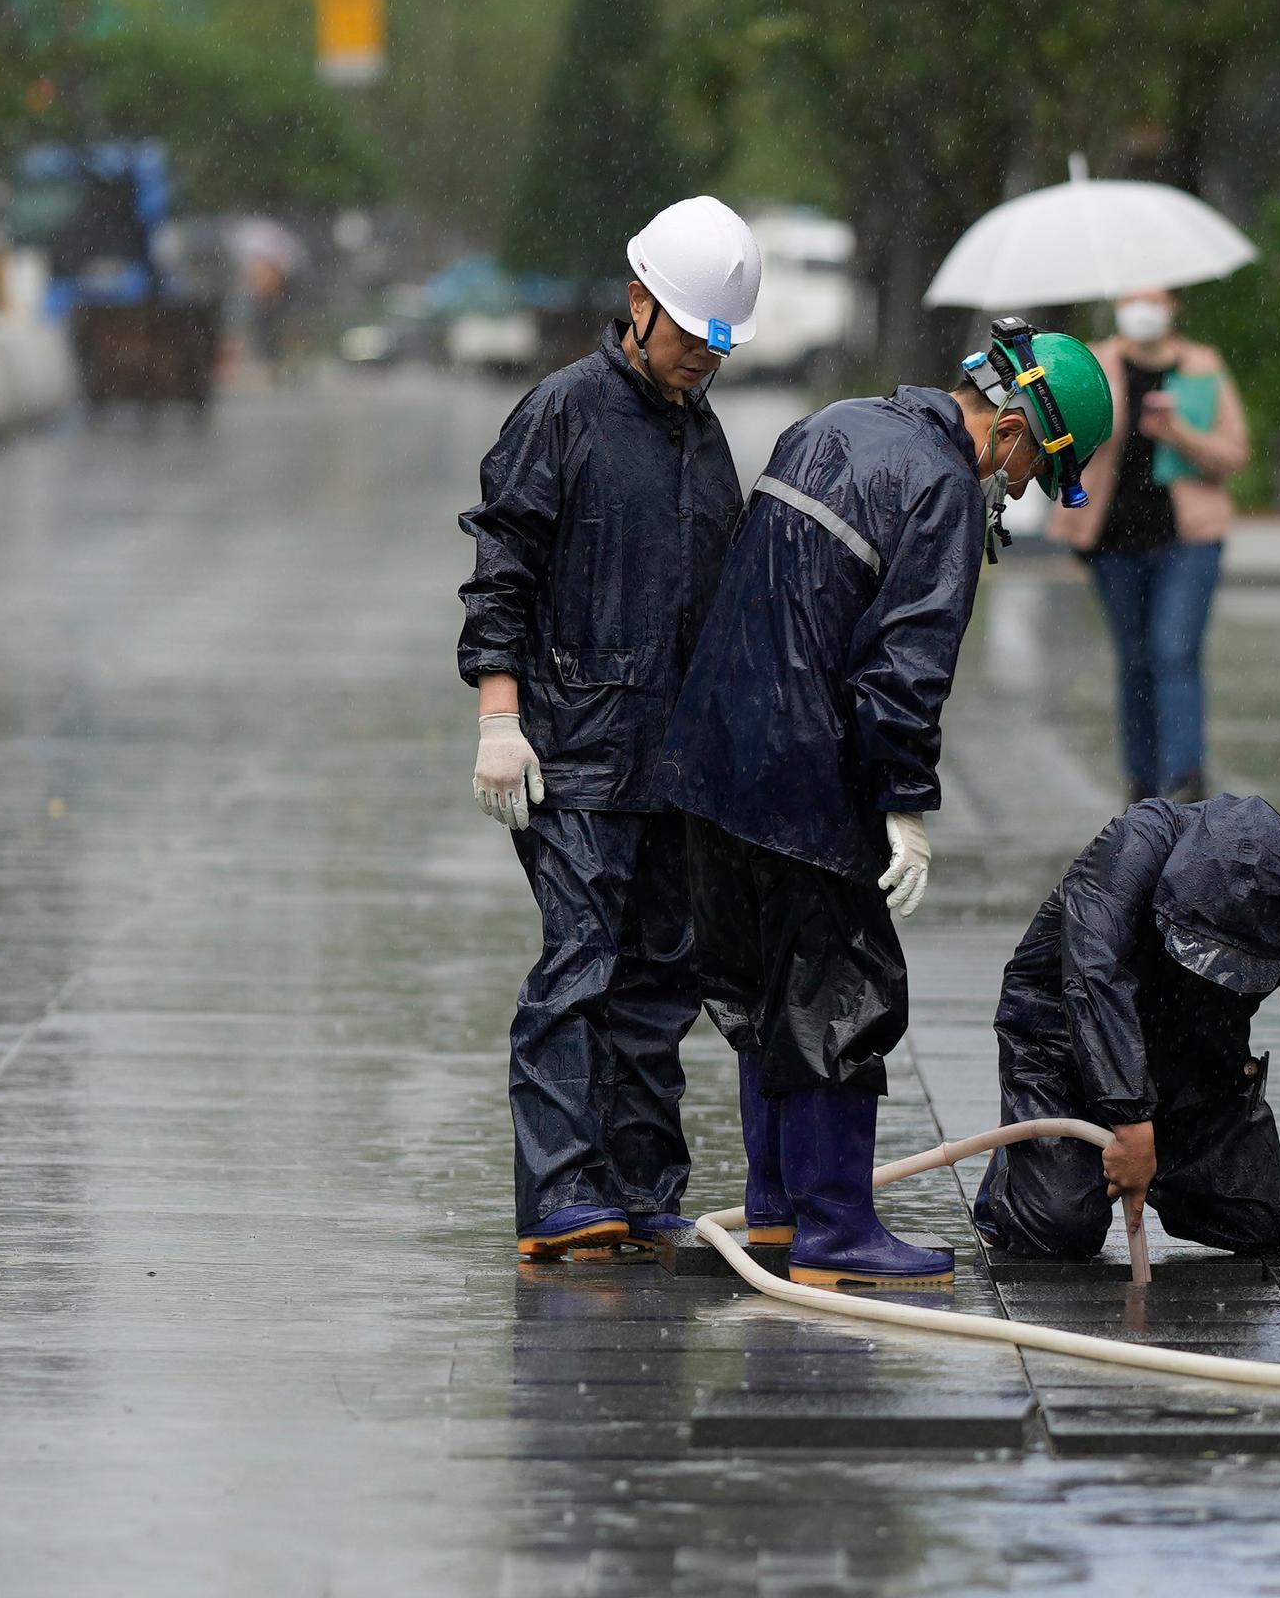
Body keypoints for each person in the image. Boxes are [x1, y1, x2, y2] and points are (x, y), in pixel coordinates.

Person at [663, 318, 1114, 1286]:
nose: (1022, 488)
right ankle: (835, 1230)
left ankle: (779, 1211)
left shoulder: (833, 424)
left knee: (762, 993)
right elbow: (903, 671)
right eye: (1036, 466)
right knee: (841, 995)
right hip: (805, 779)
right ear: (1012, 428)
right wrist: (902, 804)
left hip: (711, 762)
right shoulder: (943, 489)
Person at [458, 195, 759, 1262]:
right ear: (638, 305)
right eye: (687, 341)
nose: (699, 363)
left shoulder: (705, 438)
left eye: (717, 349)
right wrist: (501, 717)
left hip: (672, 771)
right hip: (574, 759)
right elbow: (502, 574)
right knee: (577, 970)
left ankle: (640, 1188)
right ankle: (559, 1195)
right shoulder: (561, 415)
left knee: (659, 985)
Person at [972, 794, 1280, 1262]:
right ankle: (1023, 1162)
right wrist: (1132, 1123)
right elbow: (1094, 981)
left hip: (1194, 1052)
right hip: (1064, 1041)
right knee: (1060, 1230)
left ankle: (1142, 1162)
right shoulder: (1135, 846)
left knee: (1263, 1222)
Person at [1052, 289, 1253, 802]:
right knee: (1133, 659)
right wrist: (1107, 421)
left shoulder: (1202, 366)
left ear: (1173, 304)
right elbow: (1058, 444)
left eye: (1153, 297)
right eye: (1132, 297)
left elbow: (1233, 454)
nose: (1142, 307)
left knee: (1175, 651)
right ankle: (1140, 785)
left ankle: (1185, 778)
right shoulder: (1092, 364)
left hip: (1188, 539)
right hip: (1112, 540)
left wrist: (1179, 433)